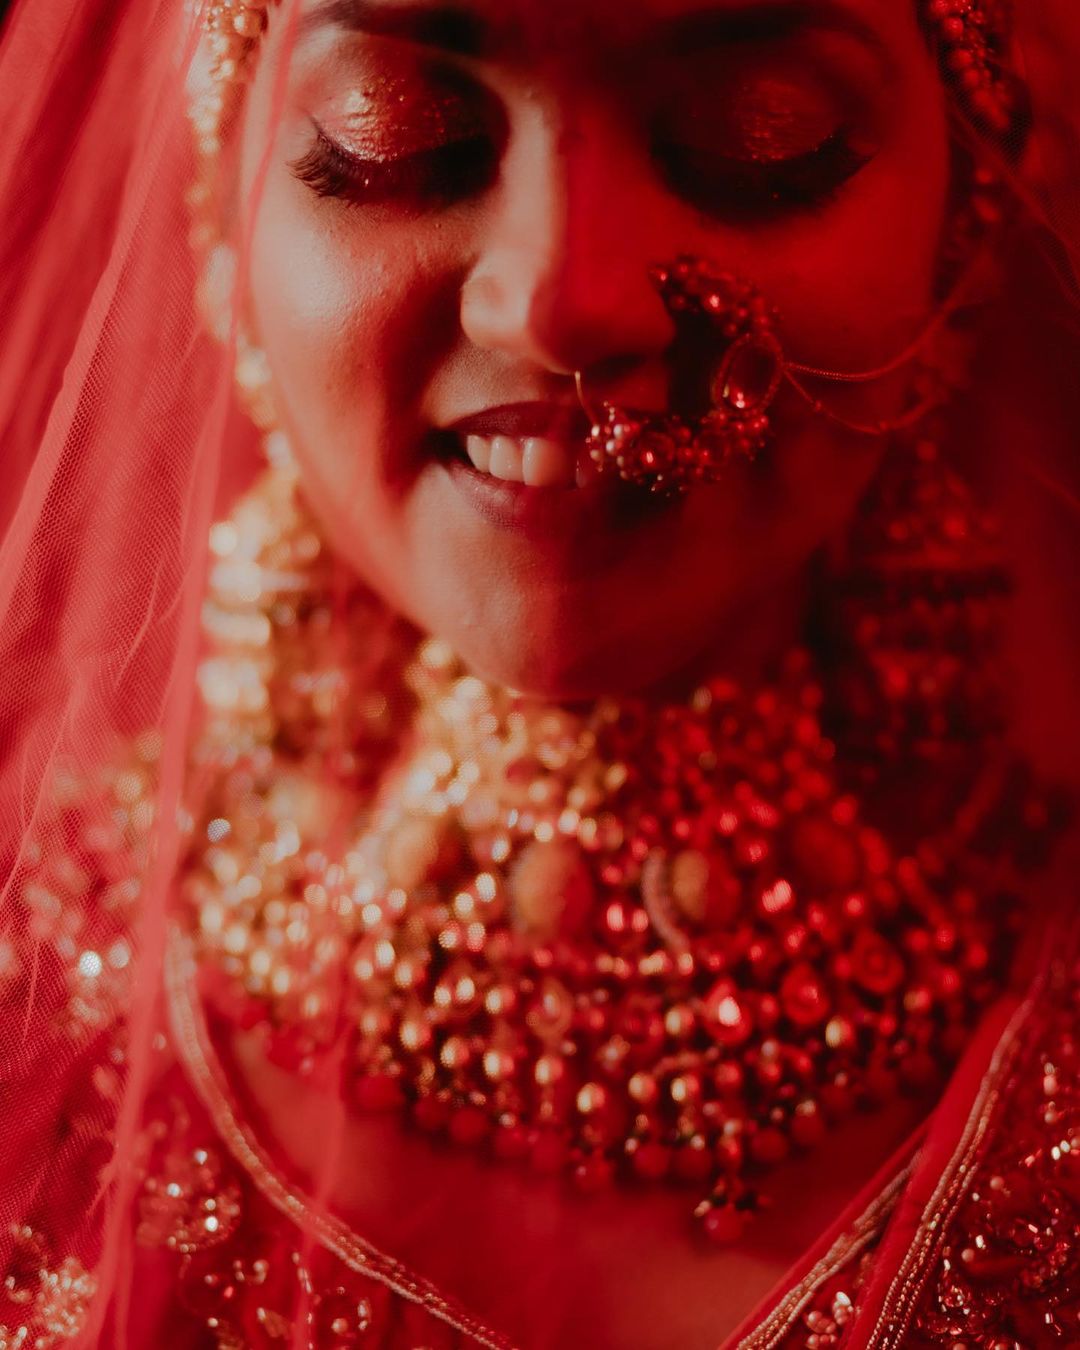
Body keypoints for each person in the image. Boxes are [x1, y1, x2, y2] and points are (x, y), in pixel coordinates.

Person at [0, 0, 1077, 1345]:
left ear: (966, 228)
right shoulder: (34, 1021)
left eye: (757, 140)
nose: (564, 301)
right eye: (395, 136)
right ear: (224, 219)